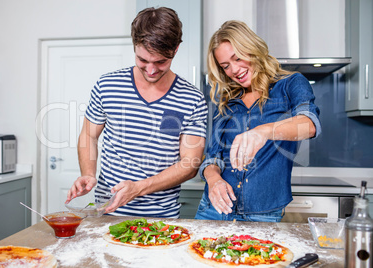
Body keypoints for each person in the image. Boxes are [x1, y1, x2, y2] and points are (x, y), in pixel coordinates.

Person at [65, 7, 207, 218]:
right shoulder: (108, 85)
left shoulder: (192, 99)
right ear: (134, 46)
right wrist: (88, 173)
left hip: (161, 220)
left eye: (161, 62)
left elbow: (190, 164)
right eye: (143, 60)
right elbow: (88, 135)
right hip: (107, 214)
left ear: (176, 50)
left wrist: (139, 187)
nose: (151, 70)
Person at [195, 20, 321, 222]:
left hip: (263, 214)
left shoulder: (290, 85)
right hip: (214, 209)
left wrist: (263, 131)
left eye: (237, 58)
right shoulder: (226, 100)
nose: (234, 70)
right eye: (226, 66)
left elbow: (309, 124)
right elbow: (212, 158)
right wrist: (214, 179)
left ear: (252, 49)